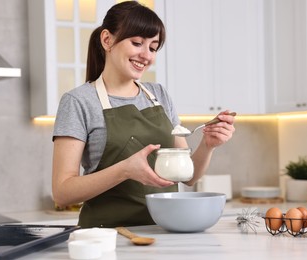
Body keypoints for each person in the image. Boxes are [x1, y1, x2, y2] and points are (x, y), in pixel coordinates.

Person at [52, 1, 235, 228]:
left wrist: (208, 145)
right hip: (107, 237)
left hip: (166, 232)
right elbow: (62, 192)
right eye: (137, 43)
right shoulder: (79, 101)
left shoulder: (158, 95)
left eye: (153, 47)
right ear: (107, 40)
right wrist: (124, 170)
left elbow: (188, 176)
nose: (146, 55)